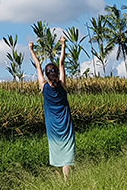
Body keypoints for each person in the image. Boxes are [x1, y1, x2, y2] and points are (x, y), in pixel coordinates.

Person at [29, 35, 75, 180]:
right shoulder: (62, 85)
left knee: (55, 149)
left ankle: (59, 178)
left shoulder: (43, 86)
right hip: (65, 122)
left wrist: (31, 49)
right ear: (56, 72)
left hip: (52, 124)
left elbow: (37, 66)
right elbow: (61, 63)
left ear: (47, 75)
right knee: (67, 150)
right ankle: (67, 181)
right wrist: (63, 44)